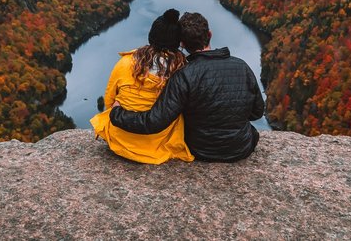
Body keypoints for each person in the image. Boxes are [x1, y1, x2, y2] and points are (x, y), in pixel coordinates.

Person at [110, 11, 265, 162]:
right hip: (241, 147)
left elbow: (154, 121)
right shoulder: (242, 66)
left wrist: (117, 114)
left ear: (182, 44)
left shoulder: (184, 75)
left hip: (201, 149)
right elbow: (257, 112)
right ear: (209, 35)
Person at [89, 9, 194, 164]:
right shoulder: (182, 71)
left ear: (151, 37)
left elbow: (109, 100)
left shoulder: (126, 63)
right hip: (159, 143)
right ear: (177, 42)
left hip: (121, 139)